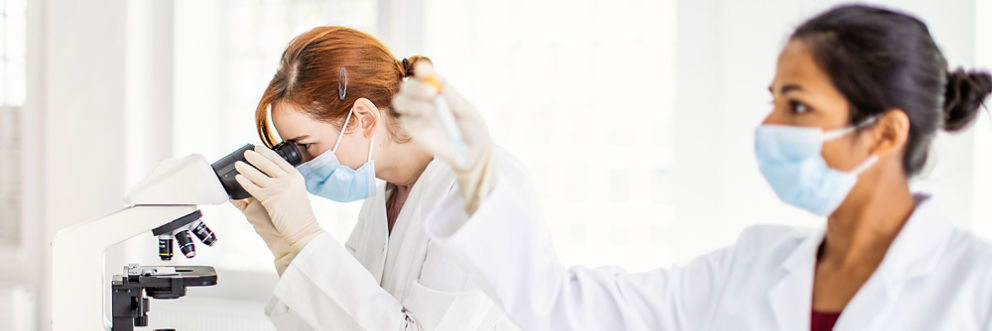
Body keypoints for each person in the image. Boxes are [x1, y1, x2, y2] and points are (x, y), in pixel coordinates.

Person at [392, 4, 992, 330]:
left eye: (799, 105)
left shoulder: (976, 287)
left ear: (885, 131)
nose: (770, 126)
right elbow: (564, 306)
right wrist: (477, 176)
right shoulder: (753, 267)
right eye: (774, 100)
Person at [230, 26, 518, 330]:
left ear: (364, 118)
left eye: (305, 146)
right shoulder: (385, 196)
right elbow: (343, 320)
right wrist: (285, 245)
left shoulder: (477, 188)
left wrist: (307, 236)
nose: (303, 164)